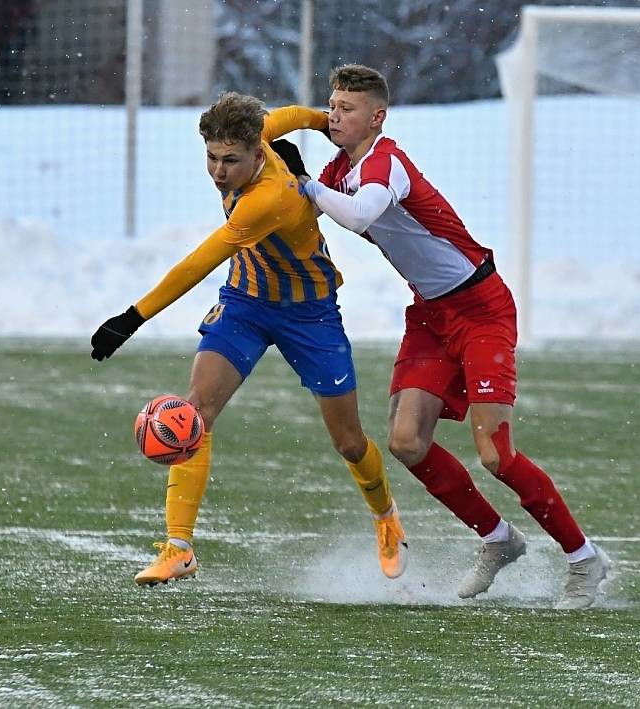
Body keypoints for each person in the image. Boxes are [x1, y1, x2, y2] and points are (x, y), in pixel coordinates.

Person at [272, 65, 610, 609]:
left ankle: (583, 559)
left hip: (481, 311)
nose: (334, 115)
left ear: (377, 117)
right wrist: (280, 165)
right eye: (330, 105)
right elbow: (309, 193)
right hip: (431, 314)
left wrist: (303, 182)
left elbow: (359, 216)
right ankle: (499, 540)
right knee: (407, 441)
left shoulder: (387, 162)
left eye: (347, 108)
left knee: (496, 455)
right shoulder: (340, 169)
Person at [90, 92, 407, 586]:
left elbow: (198, 262)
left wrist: (132, 317)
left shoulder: (266, 199)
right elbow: (298, 116)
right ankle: (179, 547)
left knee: (348, 442)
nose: (218, 171)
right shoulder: (261, 131)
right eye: (211, 158)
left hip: (310, 314)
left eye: (230, 161)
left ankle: (385, 516)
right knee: (193, 415)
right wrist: (325, 125)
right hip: (247, 303)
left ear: (258, 155)